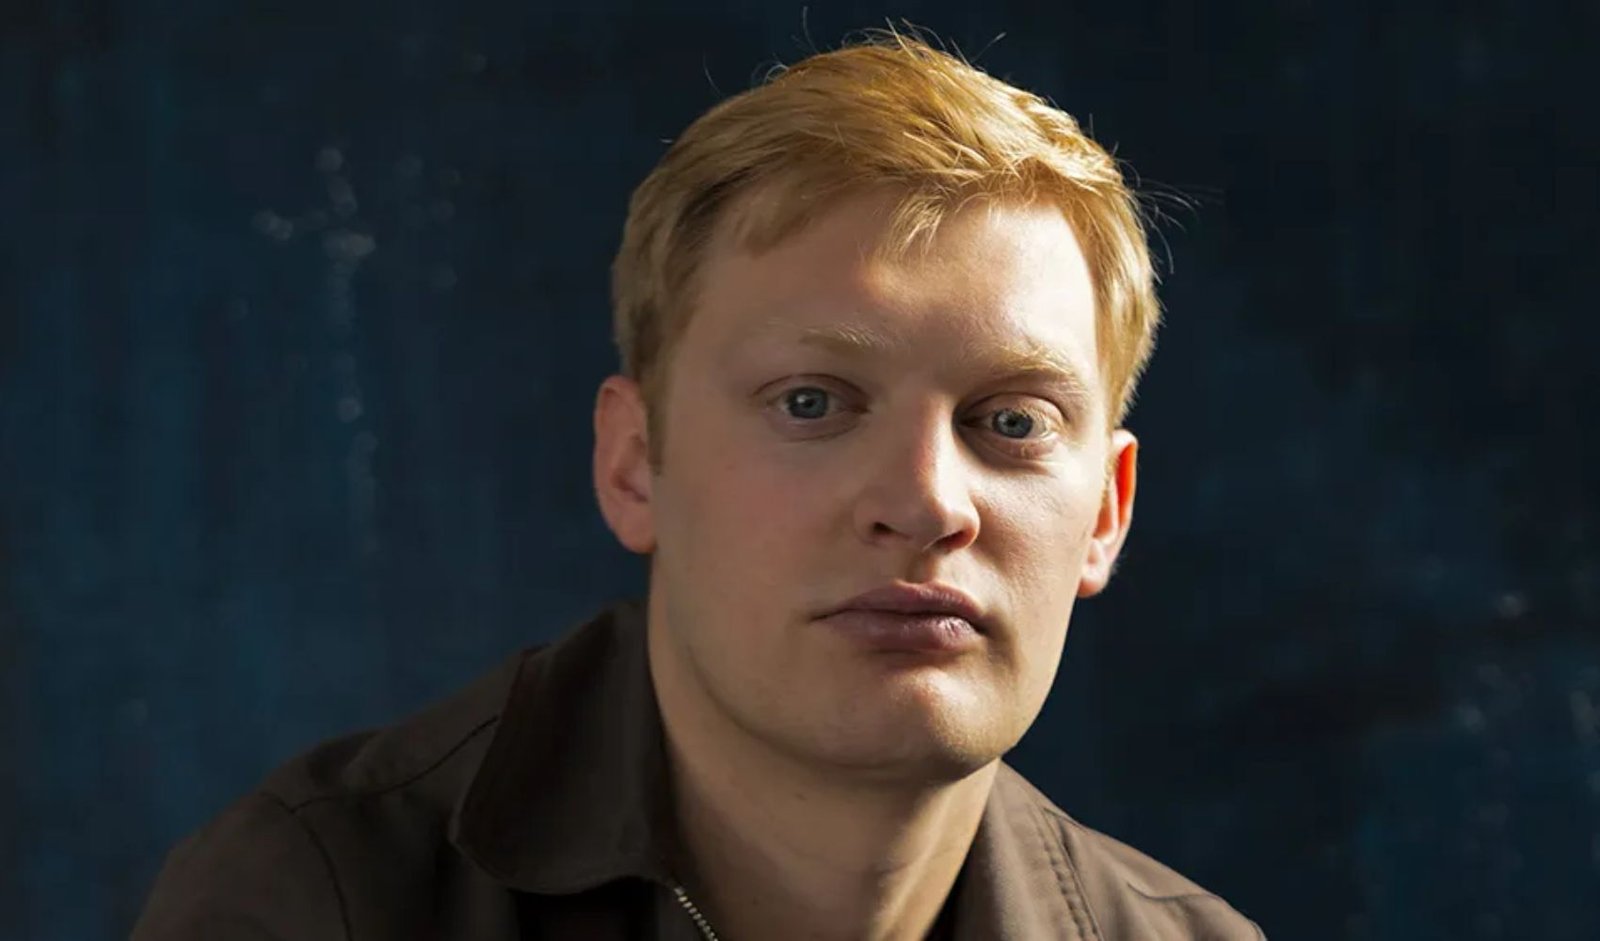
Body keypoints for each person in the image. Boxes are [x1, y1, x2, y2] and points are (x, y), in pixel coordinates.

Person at [133, 31, 1265, 941]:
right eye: (812, 402)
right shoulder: (318, 900)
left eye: (1011, 421)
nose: (926, 502)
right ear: (635, 464)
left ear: (1105, 512)